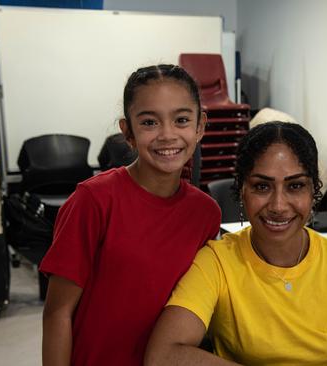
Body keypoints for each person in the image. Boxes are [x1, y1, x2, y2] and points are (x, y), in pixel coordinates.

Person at [145, 122, 327, 365]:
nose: (278, 206)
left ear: (313, 191)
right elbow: (163, 355)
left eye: (295, 186)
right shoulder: (216, 263)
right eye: (262, 186)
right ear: (242, 190)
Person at [40, 64, 221, 366]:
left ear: (200, 126)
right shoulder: (94, 200)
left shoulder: (205, 213)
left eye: (181, 120)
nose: (167, 135)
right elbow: (58, 313)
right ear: (128, 132)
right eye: (150, 122)